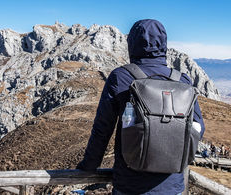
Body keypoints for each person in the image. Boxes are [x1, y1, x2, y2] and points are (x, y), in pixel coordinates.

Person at [77, 19, 205, 195]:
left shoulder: (121, 77)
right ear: (164, 45)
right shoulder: (182, 81)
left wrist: (89, 166)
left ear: (132, 44)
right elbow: (198, 128)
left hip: (130, 184)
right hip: (171, 185)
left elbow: (102, 129)